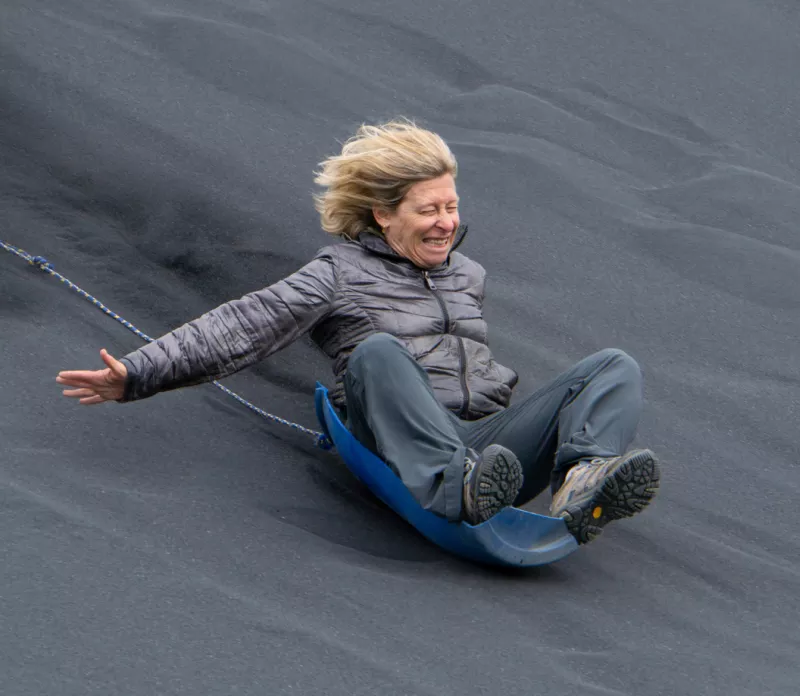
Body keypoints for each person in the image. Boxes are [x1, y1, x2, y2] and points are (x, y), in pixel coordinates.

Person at [56, 119, 661, 545]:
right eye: (429, 210)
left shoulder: (467, 274)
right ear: (382, 213)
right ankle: (455, 484)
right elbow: (240, 326)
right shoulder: (337, 273)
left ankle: (582, 479)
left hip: (488, 448)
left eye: (451, 207)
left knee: (613, 365)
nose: (446, 223)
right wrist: (137, 374)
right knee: (377, 352)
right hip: (405, 454)